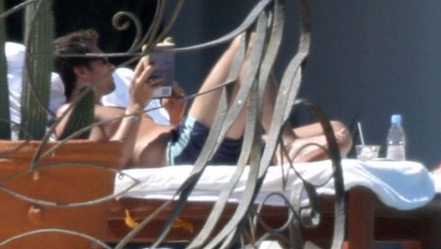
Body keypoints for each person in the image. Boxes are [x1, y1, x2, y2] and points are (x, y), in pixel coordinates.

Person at [52, 29, 351, 169]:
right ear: (81, 71)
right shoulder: (70, 112)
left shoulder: (108, 108)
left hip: (199, 145)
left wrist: (174, 112)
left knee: (338, 132)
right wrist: (137, 105)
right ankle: (285, 145)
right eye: (103, 61)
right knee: (248, 44)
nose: (112, 66)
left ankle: (283, 148)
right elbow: (106, 166)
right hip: (183, 153)